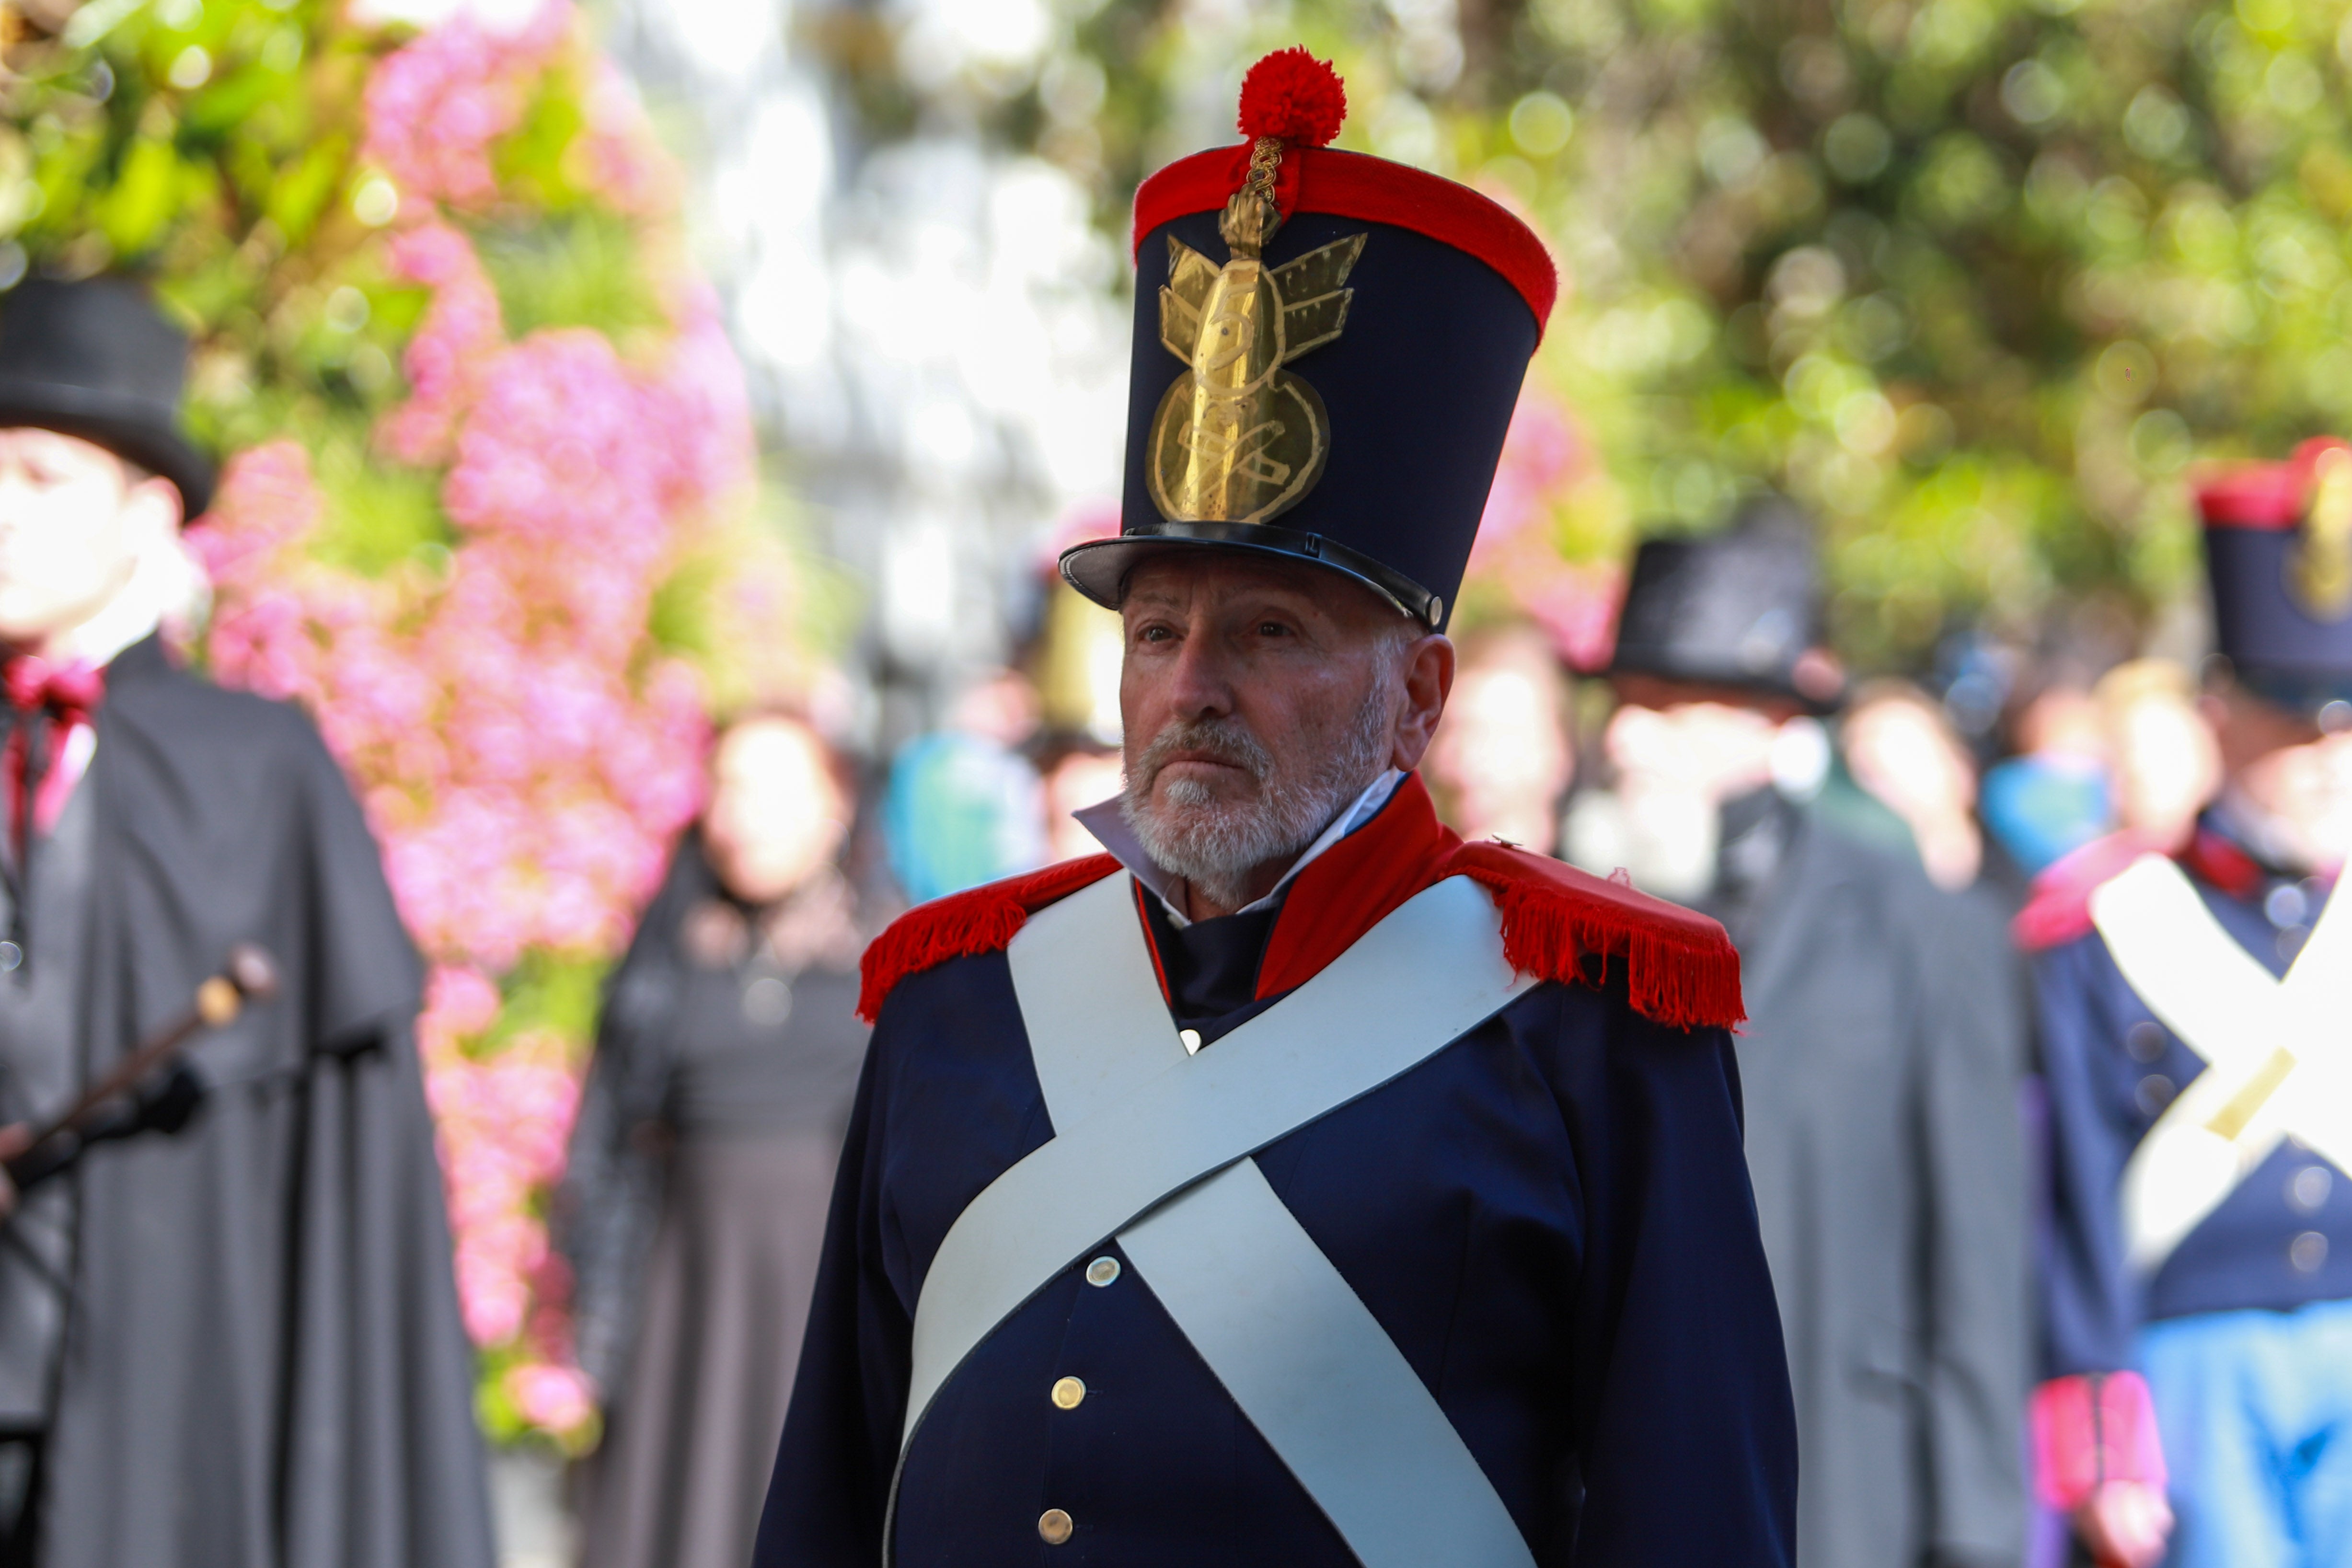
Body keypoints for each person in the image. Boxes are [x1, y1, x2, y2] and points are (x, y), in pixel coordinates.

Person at [754, 48, 1796, 1568]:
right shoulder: (954, 1003)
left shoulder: (1588, 1030)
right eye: (1158, 629)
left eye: (1271, 632)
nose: (1191, 686)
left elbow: (1692, 1513)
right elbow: (832, 1488)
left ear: (1420, 694)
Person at [0, 278, 492, 1567]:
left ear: (147, 512)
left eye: (41, 477)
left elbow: (345, 1183)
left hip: (169, 1409)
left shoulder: (260, 771)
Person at [1576, 499, 2031, 1568]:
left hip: (1855, 1484)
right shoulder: (1568, 929)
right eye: (1622, 702)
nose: (1625, 736)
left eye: (1668, 704)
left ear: (1771, 723)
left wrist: (1977, 1529)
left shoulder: (1928, 930)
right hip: (1628, 1491)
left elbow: (1978, 1253)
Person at [2027, 438, 2352, 1568]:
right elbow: (2069, 1193)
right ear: (2220, 714)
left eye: (2348, 725)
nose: (2326, 756)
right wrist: (2102, 1437)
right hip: (2195, 1364)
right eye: (2294, 719)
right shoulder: (2107, 922)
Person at [561, 711, 870, 1568]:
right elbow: (610, 1127)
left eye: (772, 789)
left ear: (832, 804)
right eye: (727, 789)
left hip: (816, 1297)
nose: (743, 815)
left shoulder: (891, 952)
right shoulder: (669, 947)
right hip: (679, 1286)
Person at [1424, 623, 1576, 855]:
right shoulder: (1404, 878)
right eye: (1457, 731)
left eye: (1501, 736)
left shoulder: (1599, 882)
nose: (1472, 758)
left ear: (1559, 753)